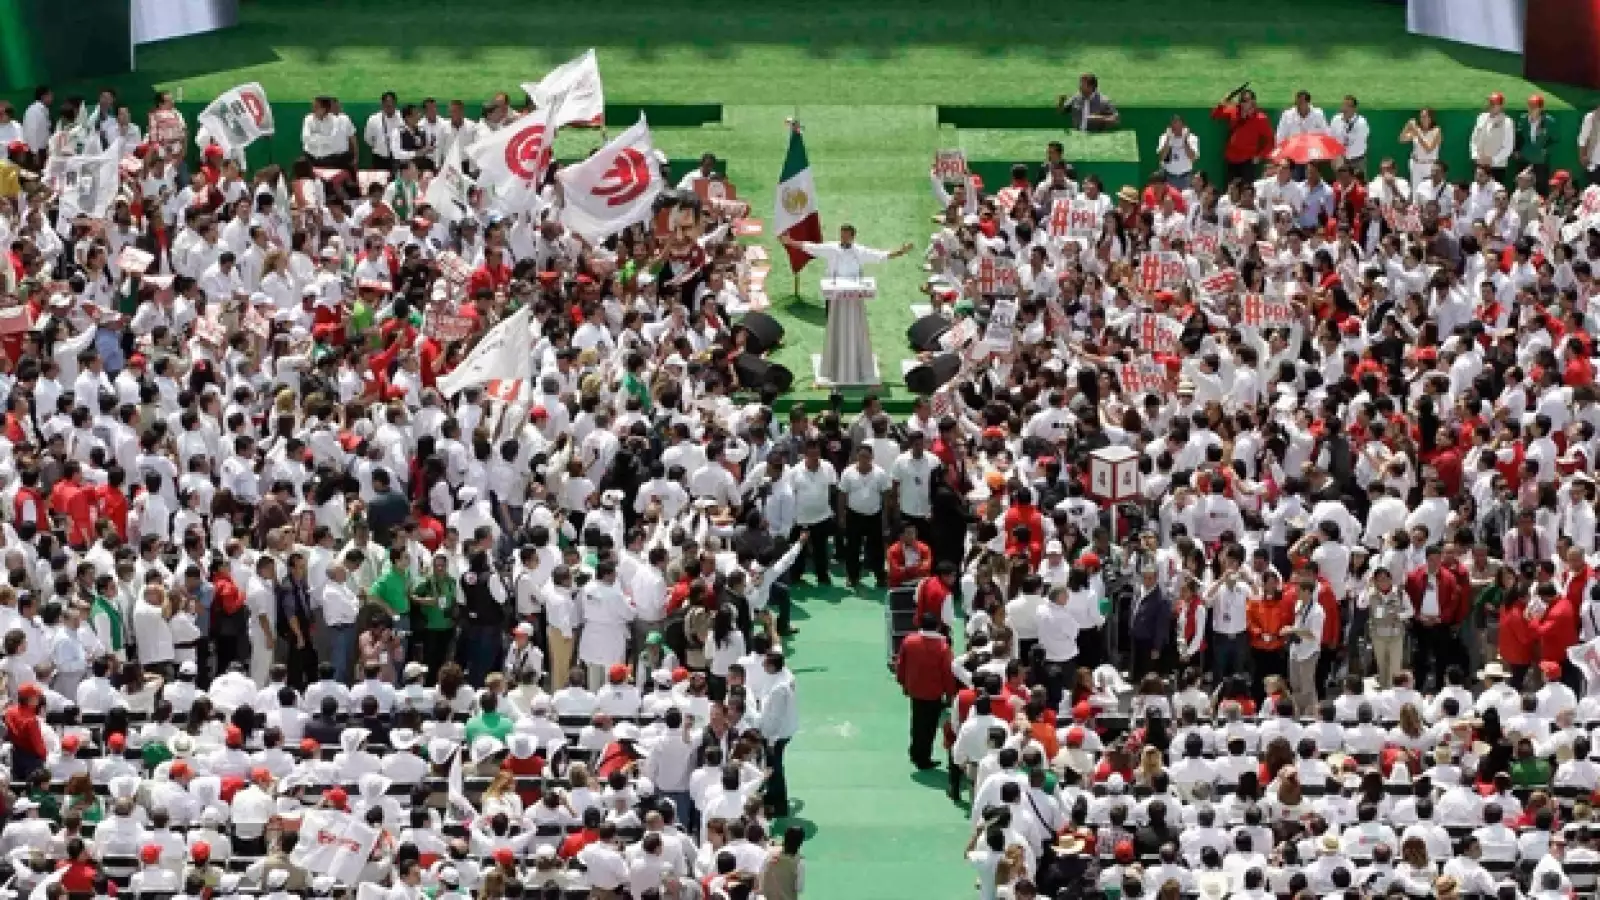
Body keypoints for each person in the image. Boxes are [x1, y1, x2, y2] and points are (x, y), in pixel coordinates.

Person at [895, 613, 956, 770]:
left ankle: (915, 751)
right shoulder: (943, 646)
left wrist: (902, 682)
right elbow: (946, 672)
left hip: (915, 689)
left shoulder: (909, 641)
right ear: (936, 627)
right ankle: (923, 758)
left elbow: (901, 664)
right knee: (929, 726)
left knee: (916, 721)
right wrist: (950, 693)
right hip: (933, 692)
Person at [1211, 86, 1273, 184]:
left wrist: (1259, 156)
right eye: (1242, 100)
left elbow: (1270, 141)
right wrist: (1225, 99)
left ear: (1253, 102)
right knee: (1231, 189)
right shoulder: (1234, 111)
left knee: (1246, 191)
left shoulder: (1260, 118)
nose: (1244, 103)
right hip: (1231, 158)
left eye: (1247, 100)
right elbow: (1215, 115)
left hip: (1247, 160)